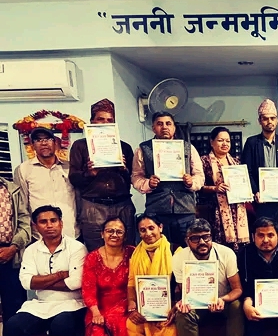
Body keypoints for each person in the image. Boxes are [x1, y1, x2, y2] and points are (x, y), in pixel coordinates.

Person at [173, 219, 245, 336]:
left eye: (206, 237)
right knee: (182, 313)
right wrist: (183, 302)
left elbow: (237, 289)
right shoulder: (179, 258)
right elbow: (184, 292)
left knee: (237, 306)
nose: (202, 242)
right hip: (197, 304)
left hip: (223, 301)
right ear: (187, 240)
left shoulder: (226, 253)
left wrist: (223, 299)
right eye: (195, 238)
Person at [4, 206, 87, 336]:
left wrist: (40, 282)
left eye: (53, 220)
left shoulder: (76, 248)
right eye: (43, 222)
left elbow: (76, 282)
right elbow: (26, 282)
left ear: (61, 223)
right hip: (40, 305)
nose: (49, 225)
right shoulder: (31, 250)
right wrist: (60, 275)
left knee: (61, 325)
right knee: (13, 326)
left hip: (72, 304)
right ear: (35, 226)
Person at [69, 98, 135, 251]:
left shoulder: (124, 147)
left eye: (109, 120)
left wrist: (123, 169)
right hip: (93, 205)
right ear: (92, 121)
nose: (105, 123)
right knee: (96, 252)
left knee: (127, 249)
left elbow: (133, 179)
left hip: (122, 204)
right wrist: (89, 173)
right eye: (100, 119)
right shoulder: (80, 146)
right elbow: (73, 178)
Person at [131, 111, 204, 246]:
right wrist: (148, 183)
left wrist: (191, 182)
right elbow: (136, 177)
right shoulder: (143, 149)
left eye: (168, 123)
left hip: (185, 212)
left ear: (174, 127)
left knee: (187, 250)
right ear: (153, 128)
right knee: (160, 252)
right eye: (160, 124)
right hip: (157, 212)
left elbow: (199, 176)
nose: (164, 127)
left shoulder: (188, 147)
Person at [241, 99, 278, 243]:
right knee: (263, 241)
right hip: (261, 203)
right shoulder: (252, 143)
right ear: (259, 121)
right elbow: (247, 172)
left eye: (272, 118)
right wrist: (255, 192)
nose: (269, 121)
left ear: (277, 120)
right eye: (265, 118)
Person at [126, 214, 178, 336]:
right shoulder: (135, 255)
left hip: (170, 309)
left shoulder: (175, 250)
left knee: (170, 330)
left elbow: (181, 284)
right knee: (131, 325)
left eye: (151, 228)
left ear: (160, 227)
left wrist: (175, 307)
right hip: (145, 308)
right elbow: (131, 283)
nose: (148, 233)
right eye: (143, 230)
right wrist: (132, 305)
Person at [14, 127, 78, 239]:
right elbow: (22, 205)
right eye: (38, 140)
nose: (43, 143)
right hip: (40, 236)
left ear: (55, 143)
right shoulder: (23, 169)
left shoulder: (69, 167)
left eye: (48, 139)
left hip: (71, 233)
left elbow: (79, 198)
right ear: (33, 145)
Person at [81, 216, 134, 336]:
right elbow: (88, 289)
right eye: (110, 231)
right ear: (102, 234)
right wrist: (96, 313)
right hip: (100, 308)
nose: (114, 235)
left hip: (128, 305)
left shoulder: (133, 253)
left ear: (125, 236)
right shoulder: (92, 258)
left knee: (128, 328)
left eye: (119, 232)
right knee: (98, 334)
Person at [199, 126, 250, 251]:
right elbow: (199, 186)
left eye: (227, 141)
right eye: (220, 140)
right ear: (212, 142)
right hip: (215, 210)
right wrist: (215, 188)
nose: (225, 144)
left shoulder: (236, 162)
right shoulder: (204, 161)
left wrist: (246, 193)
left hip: (237, 209)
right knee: (220, 245)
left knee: (240, 249)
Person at [0, 173, 31, 336]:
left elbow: (25, 224)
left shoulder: (12, 189)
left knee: (14, 305)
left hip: (11, 254)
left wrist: (13, 247)